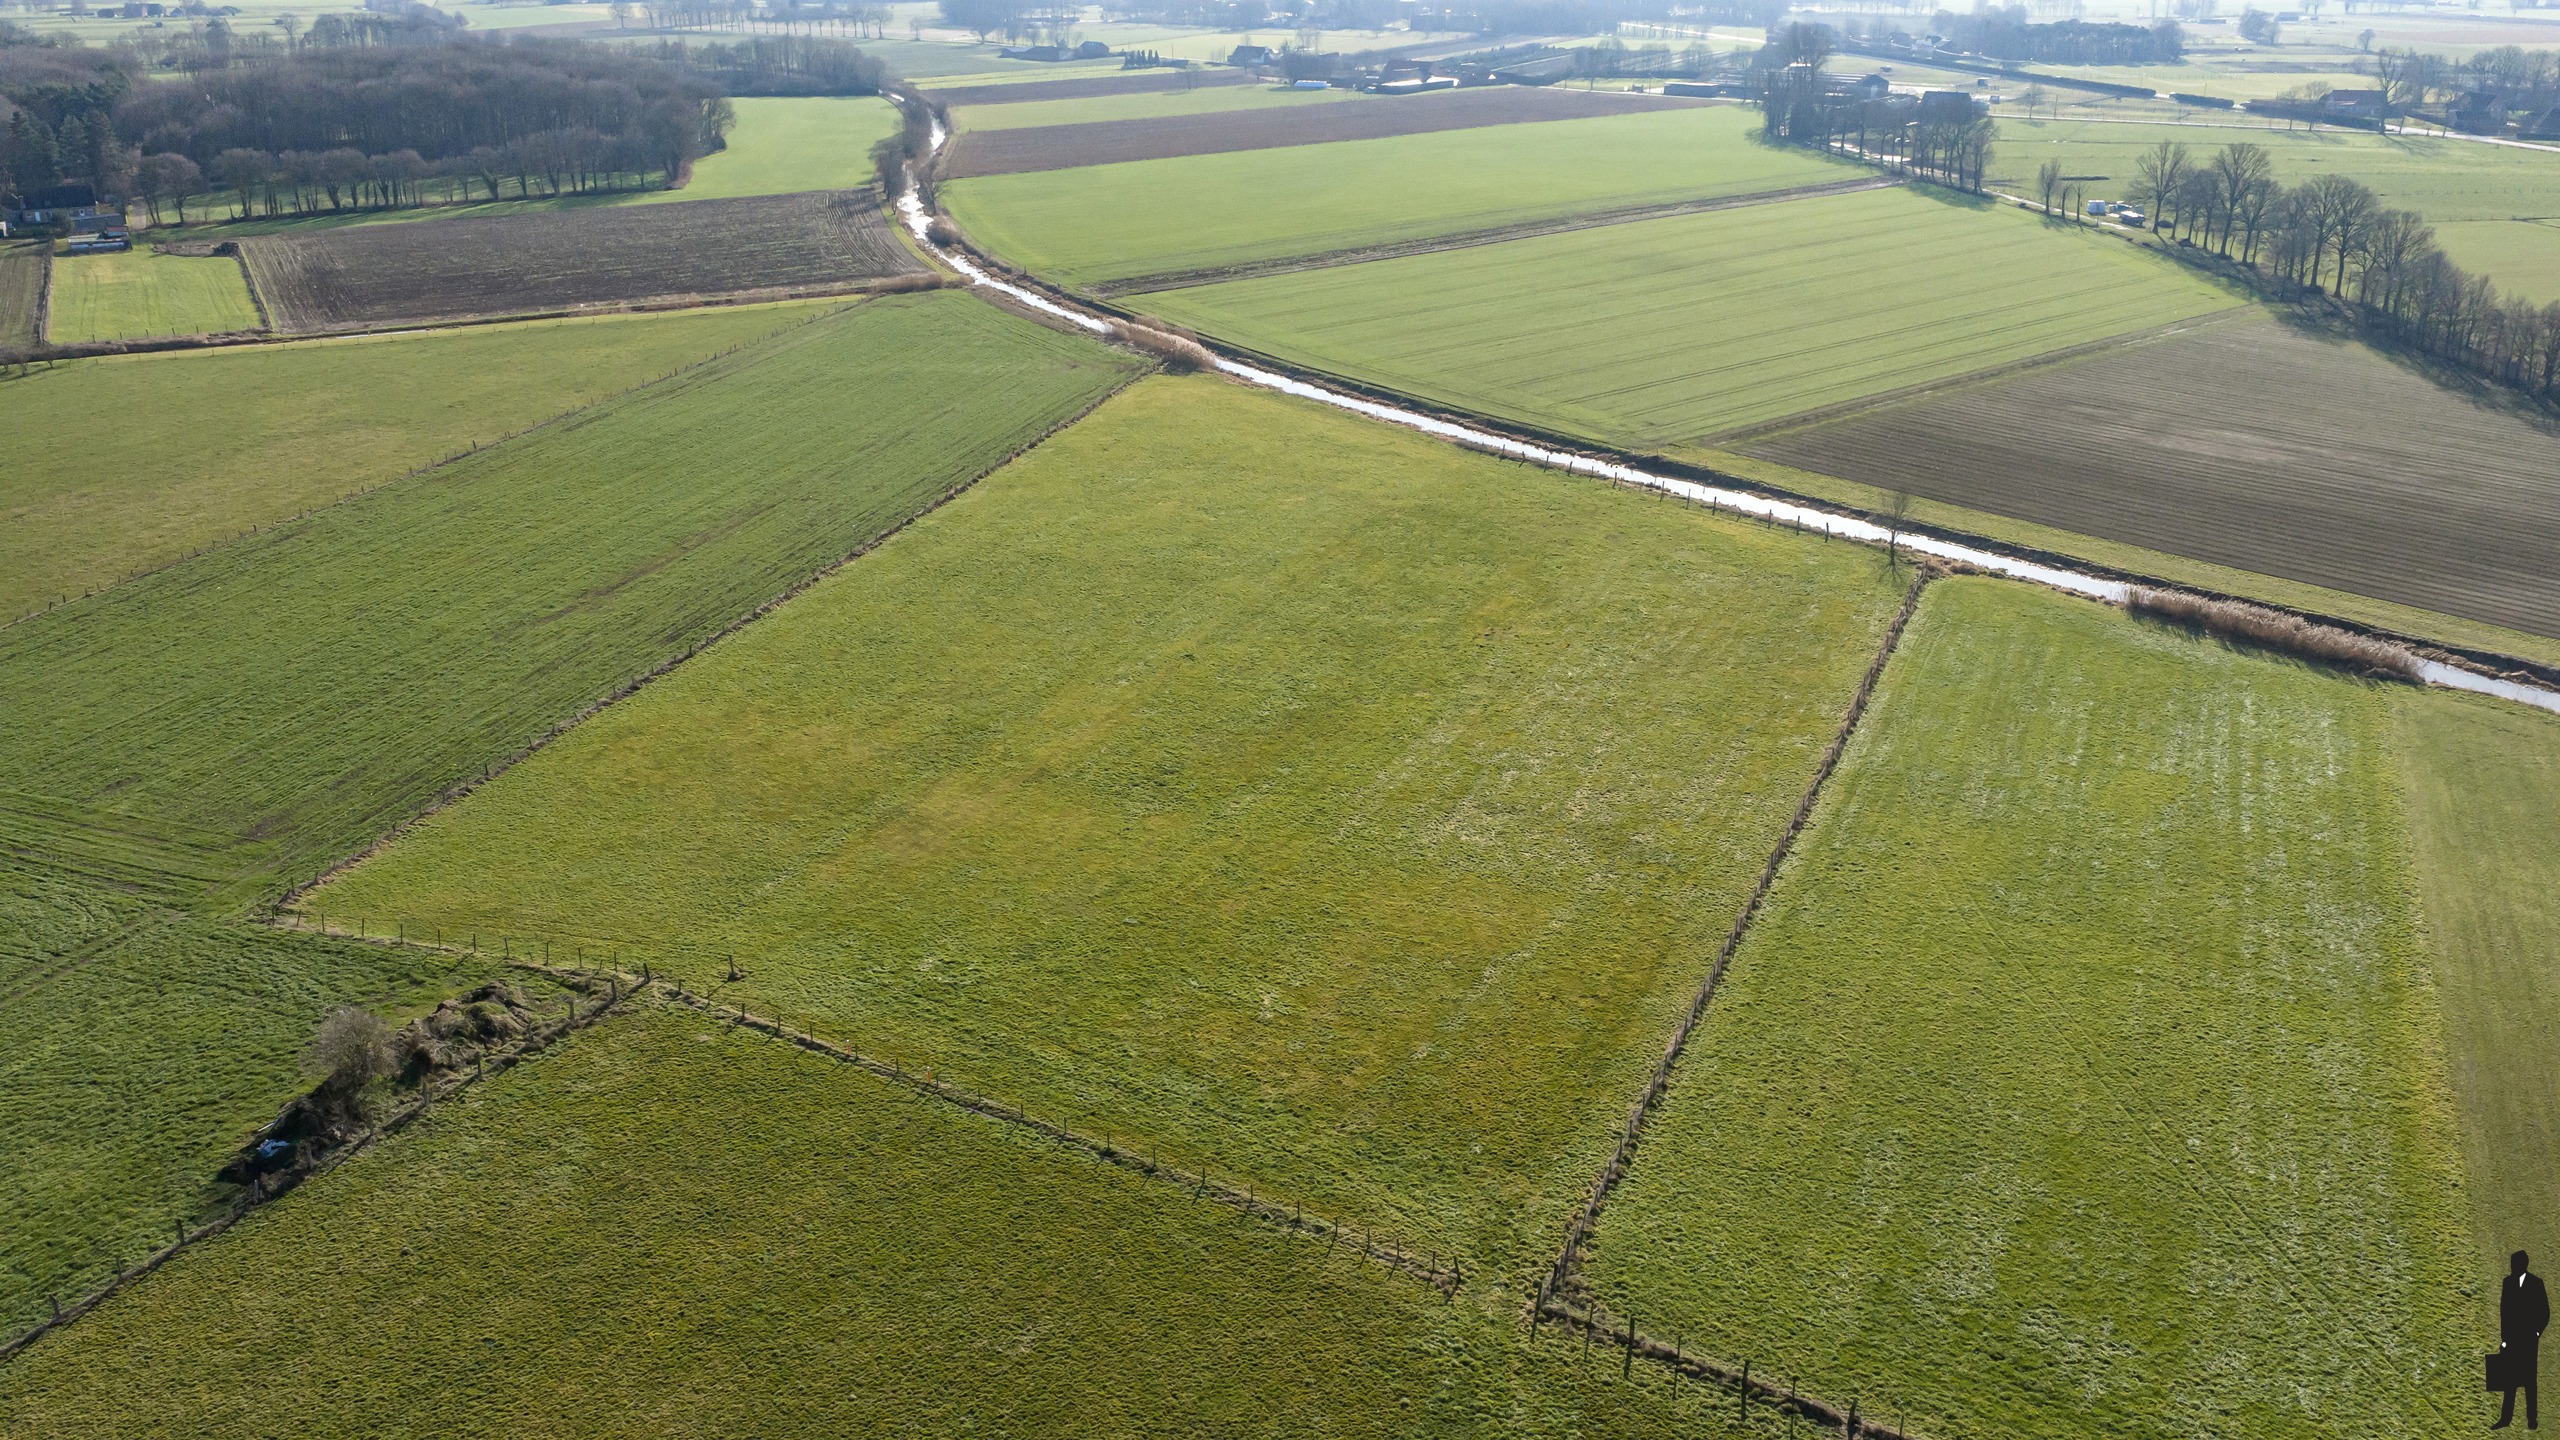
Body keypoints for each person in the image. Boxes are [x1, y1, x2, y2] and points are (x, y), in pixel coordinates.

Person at [2499, 1251, 2550, 1430]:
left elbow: (2545, 1312)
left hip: (2528, 1341)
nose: (2512, 1266)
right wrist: (2504, 1339)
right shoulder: (2508, 1283)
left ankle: (2532, 1419)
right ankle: (2506, 1418)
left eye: (2514, 1263)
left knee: (2530, 1381)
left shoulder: (2536, 1284)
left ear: (2522, 1265)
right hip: (2512, 1340)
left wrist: (2536, 1333)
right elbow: (2504, 1313)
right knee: (2510, 1380)